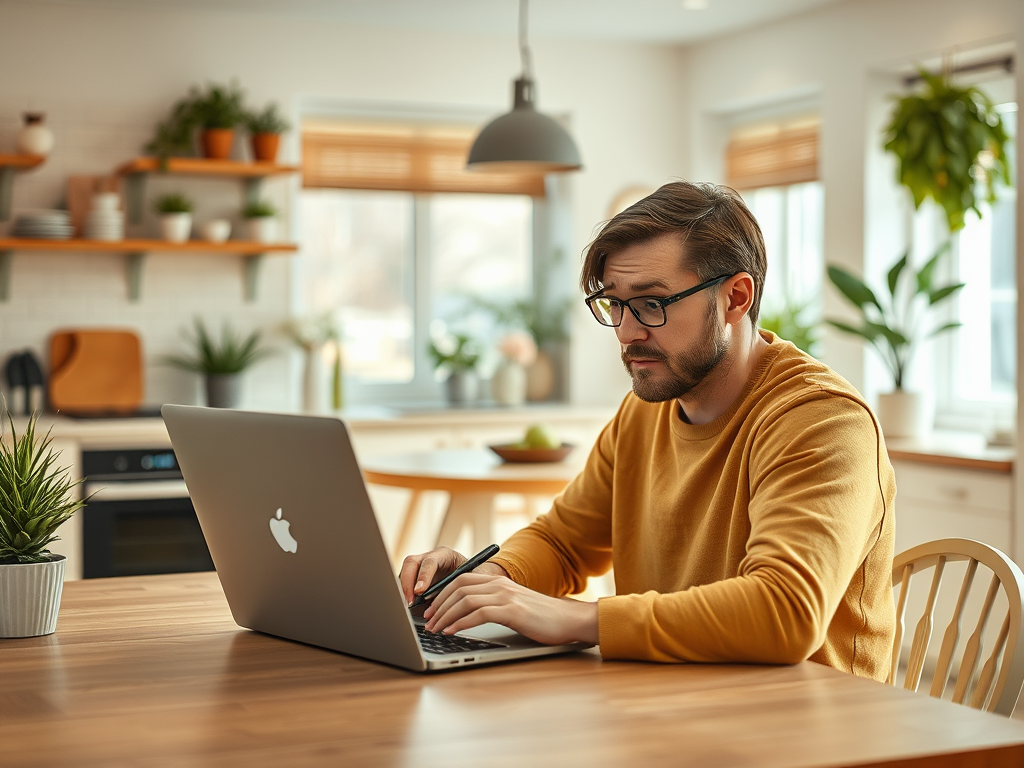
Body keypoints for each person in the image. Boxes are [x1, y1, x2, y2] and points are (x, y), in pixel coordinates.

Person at [400, 180, 896, 681]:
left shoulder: (824, 421)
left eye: (652, 303)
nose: (628, 331)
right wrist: (487, 579)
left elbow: (786, 611)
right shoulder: (644, 411)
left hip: (810, 734)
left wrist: (581, 619)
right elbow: (564, 541)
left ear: (735, 298)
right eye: (614, 303)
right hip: (669, 703)